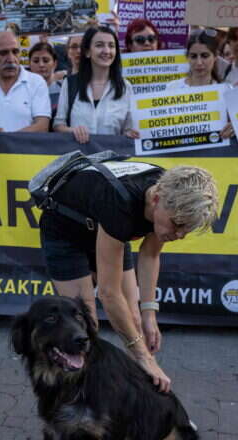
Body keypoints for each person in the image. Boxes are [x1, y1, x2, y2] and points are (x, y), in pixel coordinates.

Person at [37, 158, 220, 393]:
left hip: (107, 226)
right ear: (155, 200)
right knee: (83, 325)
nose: (180, 234)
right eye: (177, 224)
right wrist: (146, 358)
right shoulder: (122, 203)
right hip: (65, 231)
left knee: (134, 319)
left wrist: (149, 313)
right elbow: (109, 293)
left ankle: (140, 392)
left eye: (186, 228)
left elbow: (150, 256)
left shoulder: (168, 192)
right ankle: (78, 398)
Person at [53, 26, 138, 142]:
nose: (107, 51)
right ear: (87, 52)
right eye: (99, 45)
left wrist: (131, 134)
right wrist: (73, 131)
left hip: (113, 158)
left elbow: (129, 129)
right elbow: (58, 125)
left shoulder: (125, 87)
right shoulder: (69, 83)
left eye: (111, 46)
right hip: (79, 157)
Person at [0, 31, 51, 132]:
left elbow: (42, 126)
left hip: (25, 147)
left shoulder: (37, 83)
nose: (11, 59)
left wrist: (7, 140)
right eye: (3, 53)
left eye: (15, 52)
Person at [26, 41, 66, 114]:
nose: (41, 65)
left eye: (46, 61)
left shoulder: (65, 88)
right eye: (36, 61)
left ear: (55, 63)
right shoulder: (22, 91)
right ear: (29, 64)